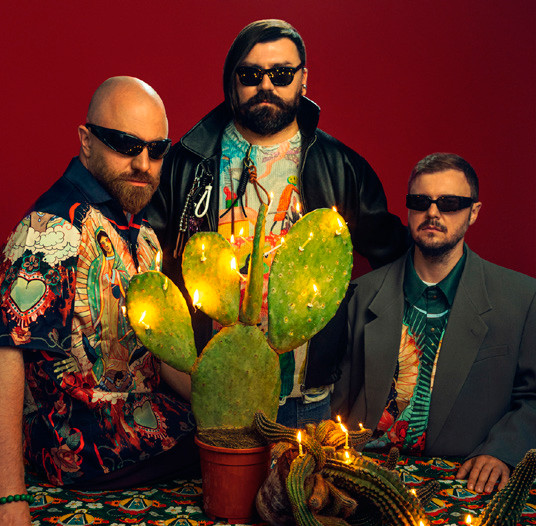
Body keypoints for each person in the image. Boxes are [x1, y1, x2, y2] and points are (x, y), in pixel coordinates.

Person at [147, 19, 409, 428]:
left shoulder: (340, 167)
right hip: (205, 392)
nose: (266, 85)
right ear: (232, 80)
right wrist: (175, 370)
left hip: (305, 401)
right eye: (251, 75)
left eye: (282, 74)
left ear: (304, 78)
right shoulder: (186, 162)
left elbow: (395, 259)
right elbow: (145, 268)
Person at [0, 77, 197, 525]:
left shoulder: (144, 237)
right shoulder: (50, 231)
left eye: (157, 149)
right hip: (81, 451)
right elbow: (6, 351)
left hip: (147, 426)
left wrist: (230, 397)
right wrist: (9, 496)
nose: (143, 163)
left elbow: (161, 352)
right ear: (86, 142)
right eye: (125, 144)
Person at [332, 153, 536, 494]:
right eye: (420, 202)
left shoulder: (522, 298)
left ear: (474, 212)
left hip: (464, 480)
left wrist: (502, 451)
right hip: (363, 475)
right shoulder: (359, 295)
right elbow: (333, 396)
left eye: (450, 203)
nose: (433, 213)